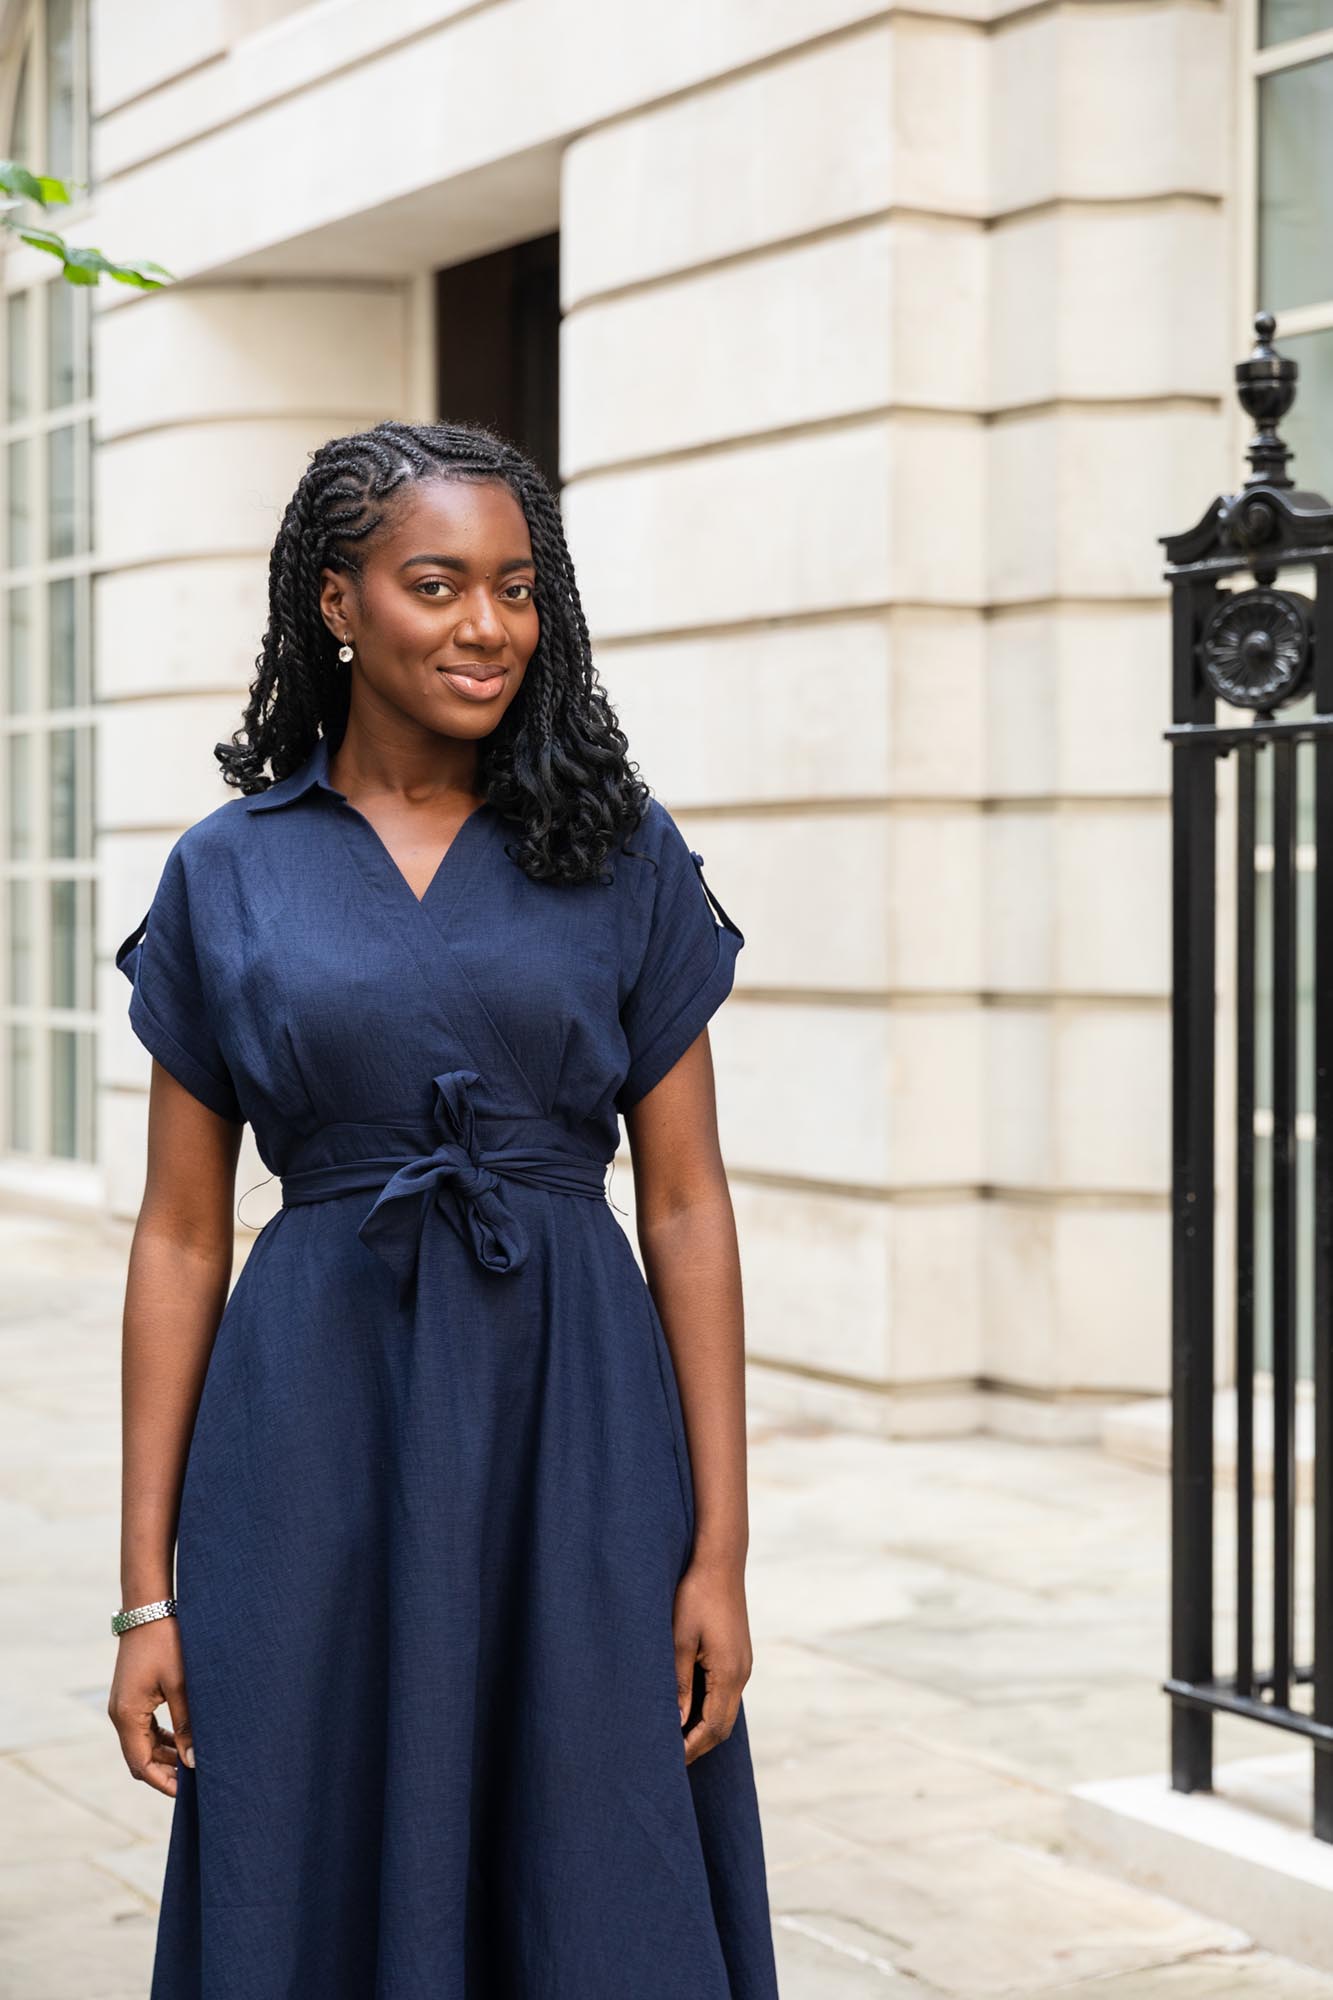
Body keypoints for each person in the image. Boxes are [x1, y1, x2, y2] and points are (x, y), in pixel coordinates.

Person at [105, 419, 780, 1998]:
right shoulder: (228, 871)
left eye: (517, 588)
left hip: (575, 1424)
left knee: (592, 1844)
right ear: (338, 602)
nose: (488, 626)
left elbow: (686, 1206)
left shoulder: (617, 850)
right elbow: (179, 1234)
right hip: (312, 1432)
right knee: (308, 1831)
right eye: (437, 584)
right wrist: (145, 1595)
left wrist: (720, 1552)